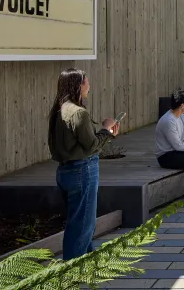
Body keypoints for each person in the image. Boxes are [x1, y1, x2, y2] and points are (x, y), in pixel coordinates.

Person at [48, 68, 119, 260]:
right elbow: (92, 145)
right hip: (82, 169)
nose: (90, 86)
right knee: (82, 224)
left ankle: (89, 263)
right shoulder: (79, 113)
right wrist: (106, 129)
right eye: (87, 82)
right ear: (78, 85)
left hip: (65, 171)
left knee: (79, 221)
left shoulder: (59, 110)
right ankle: (73, 271)